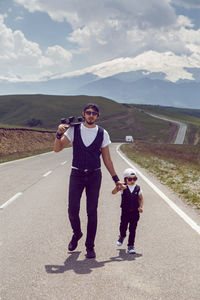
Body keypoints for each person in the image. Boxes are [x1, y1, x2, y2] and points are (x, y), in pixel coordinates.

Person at [54, 103, 122, 259]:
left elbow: (107, 160)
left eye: (94, 113)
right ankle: (77, 233)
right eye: (88, 112)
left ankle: (90, 246)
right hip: (76, 174)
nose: (91, 115)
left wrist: (116, 179)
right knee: (72, 209)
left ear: (97, 116)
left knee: (92, 212)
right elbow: (57, 149)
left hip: (94, 176)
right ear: (83, 114)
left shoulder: (103, 133)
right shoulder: (74, 129)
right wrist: (58, 134)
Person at [114, 168, 143, 254]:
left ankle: (131, 246)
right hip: (125, 212)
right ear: (125, 179)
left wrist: (140, 207)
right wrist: (118, 188)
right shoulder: (123, 187)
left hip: (135, 212)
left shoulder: (138, 188)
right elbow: (113, 192)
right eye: (130, 179)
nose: (132, 181)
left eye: (134, 179)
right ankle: (122, 236)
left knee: (133, 229)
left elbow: (141, 198)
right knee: (123, 226)